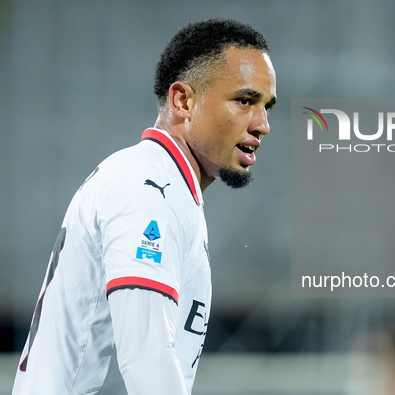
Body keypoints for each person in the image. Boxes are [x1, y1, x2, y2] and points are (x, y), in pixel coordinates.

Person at [12, 18, 277, 395]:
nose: (263, 123)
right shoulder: (149, 188)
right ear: (183, 100)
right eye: (245, 101)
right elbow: (146, 359)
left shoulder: (163, 186)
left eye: (267, 106)